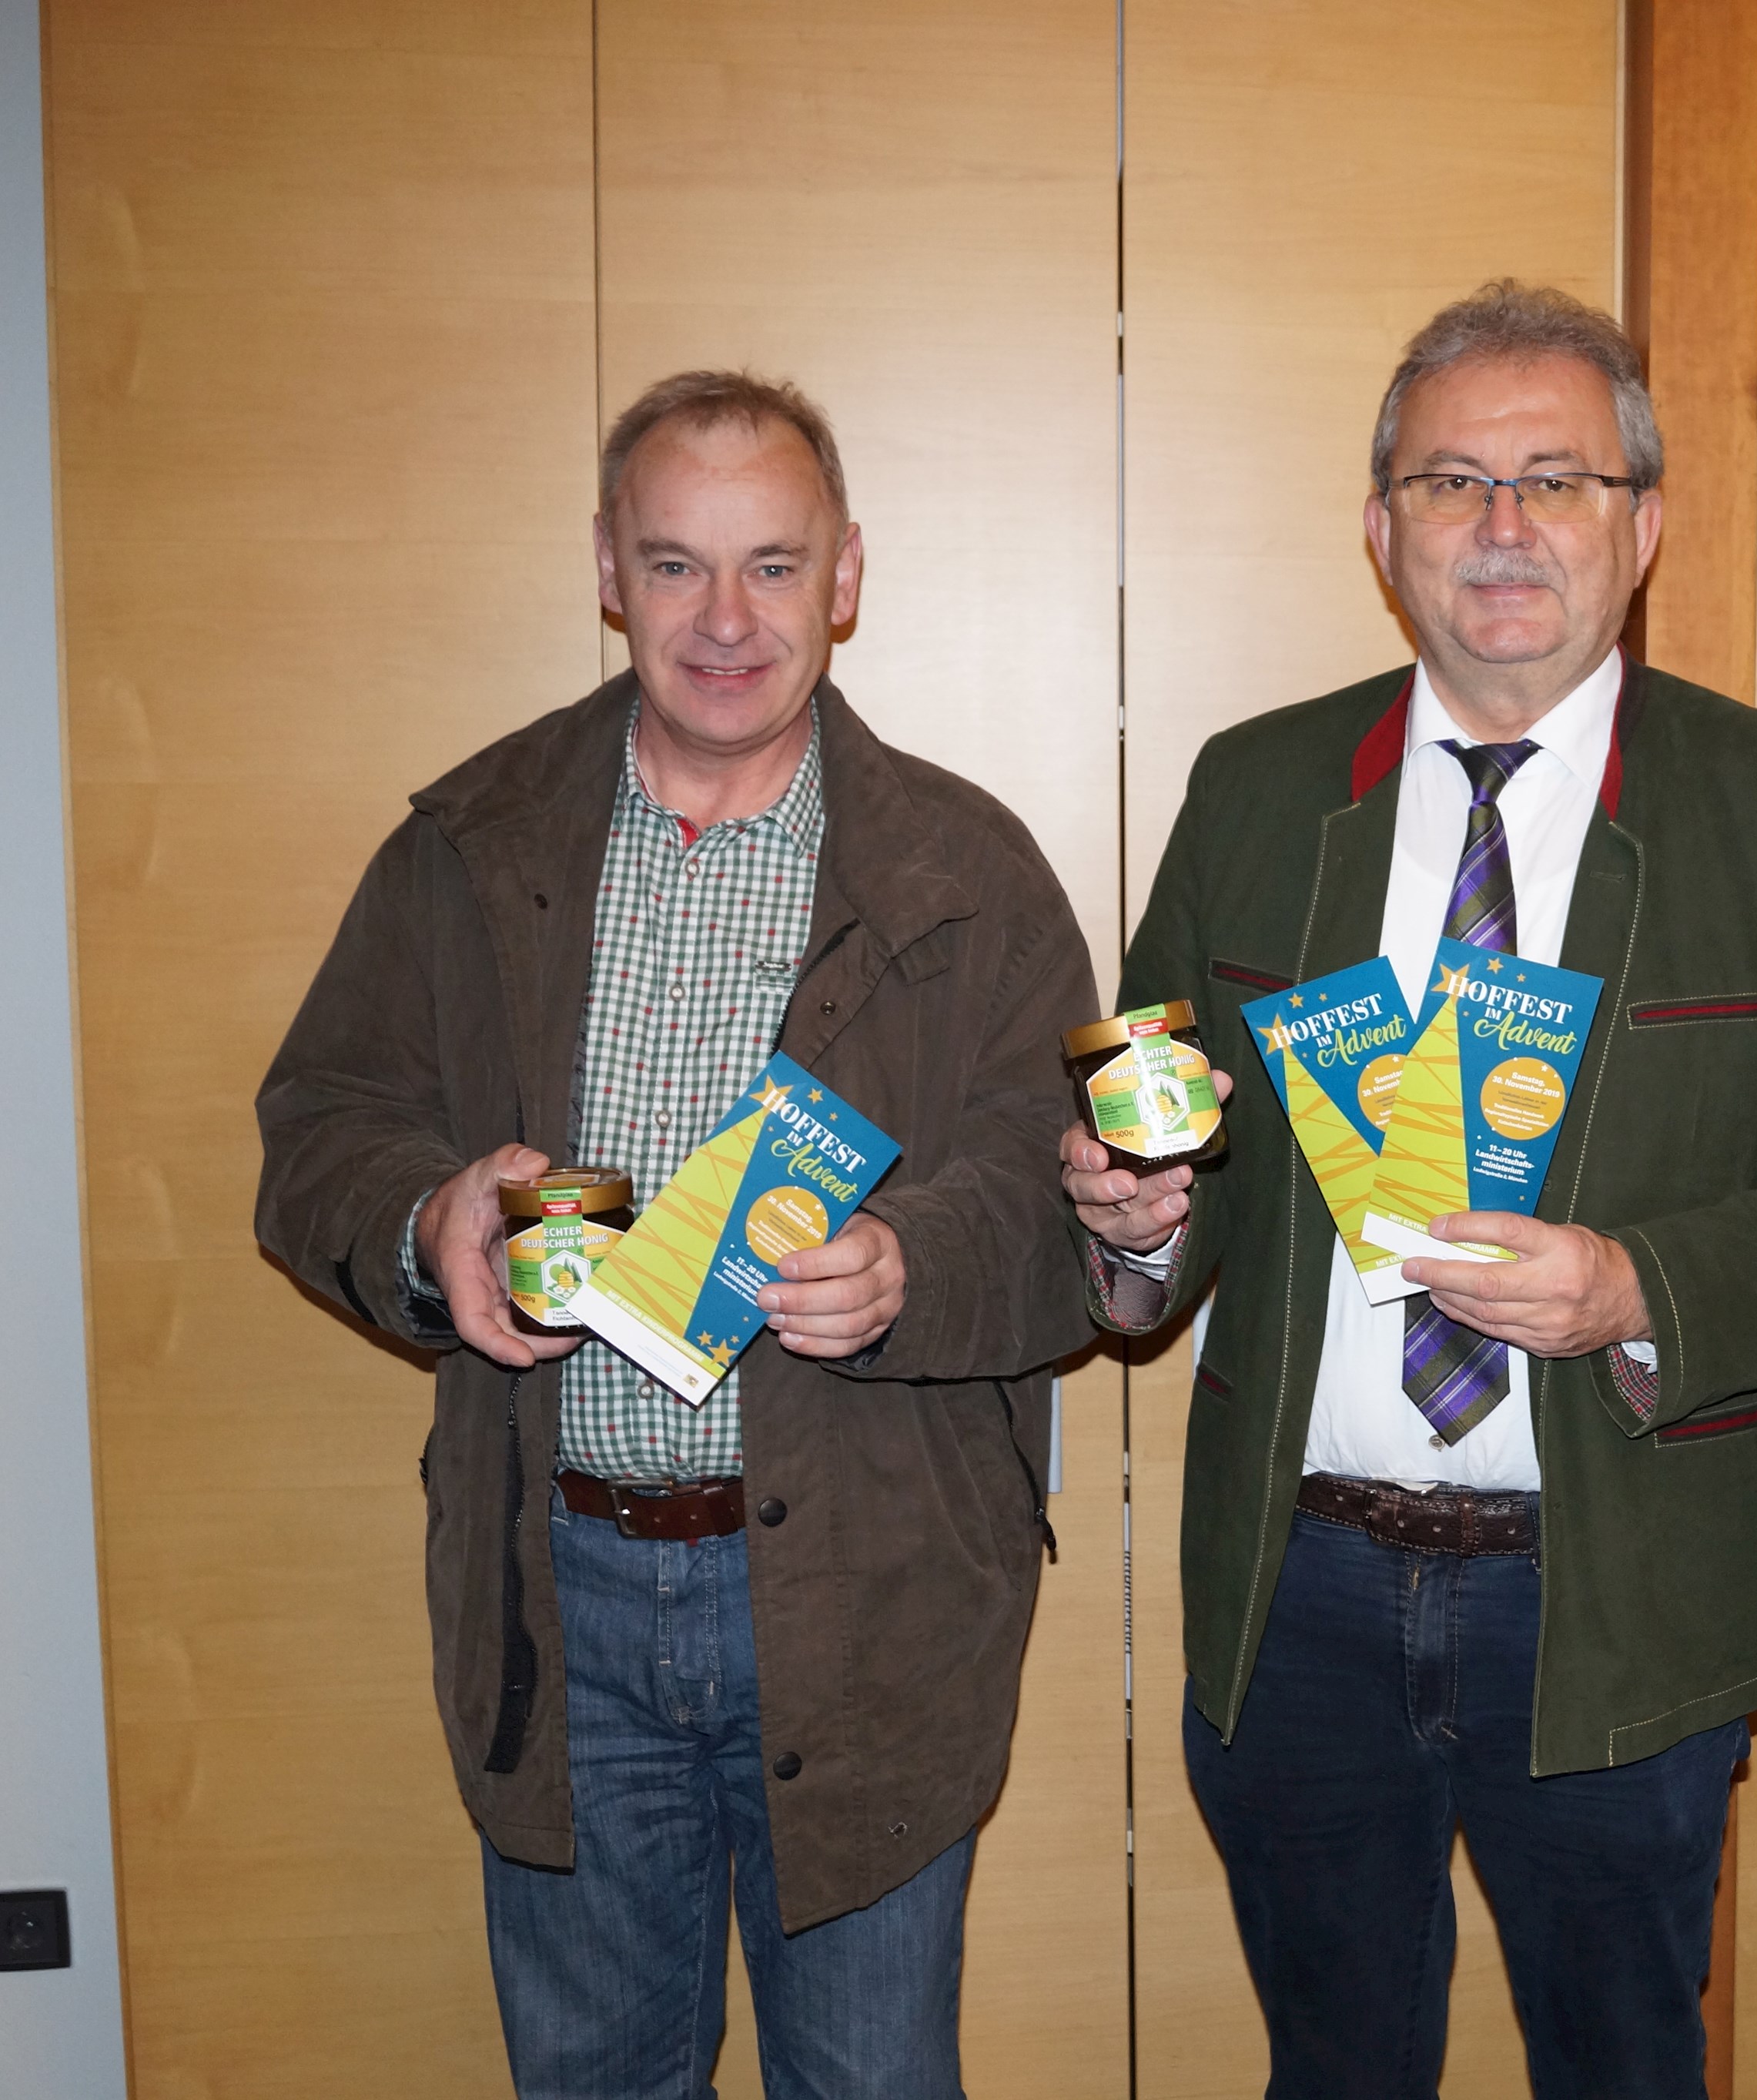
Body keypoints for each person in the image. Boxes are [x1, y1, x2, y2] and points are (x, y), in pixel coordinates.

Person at [1064, 281, 1757, 2098]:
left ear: (1644, 523)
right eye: (1452, 481)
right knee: (1334, 2070)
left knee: (1620, 2066)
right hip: (1305, 1591)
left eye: (1557, 478)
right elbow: (1171, 1148)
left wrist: (1633, 1288)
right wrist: (1133, 1225)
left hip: (1618, 1589)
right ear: (1382, 533)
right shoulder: (1257, 786)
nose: (1504, 526)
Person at [255, 370, 1096, 2096]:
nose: (726, 620)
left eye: (773, 567)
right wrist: (429, 1220)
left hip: (872, 1606)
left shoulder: (969, 867)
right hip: (556, 1598)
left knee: (867, 2082)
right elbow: (316, 1129)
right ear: (605, 569)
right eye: (676, 564)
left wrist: (913, 1261)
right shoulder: (464, 846)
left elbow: (1059, 1195)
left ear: (845, 575)